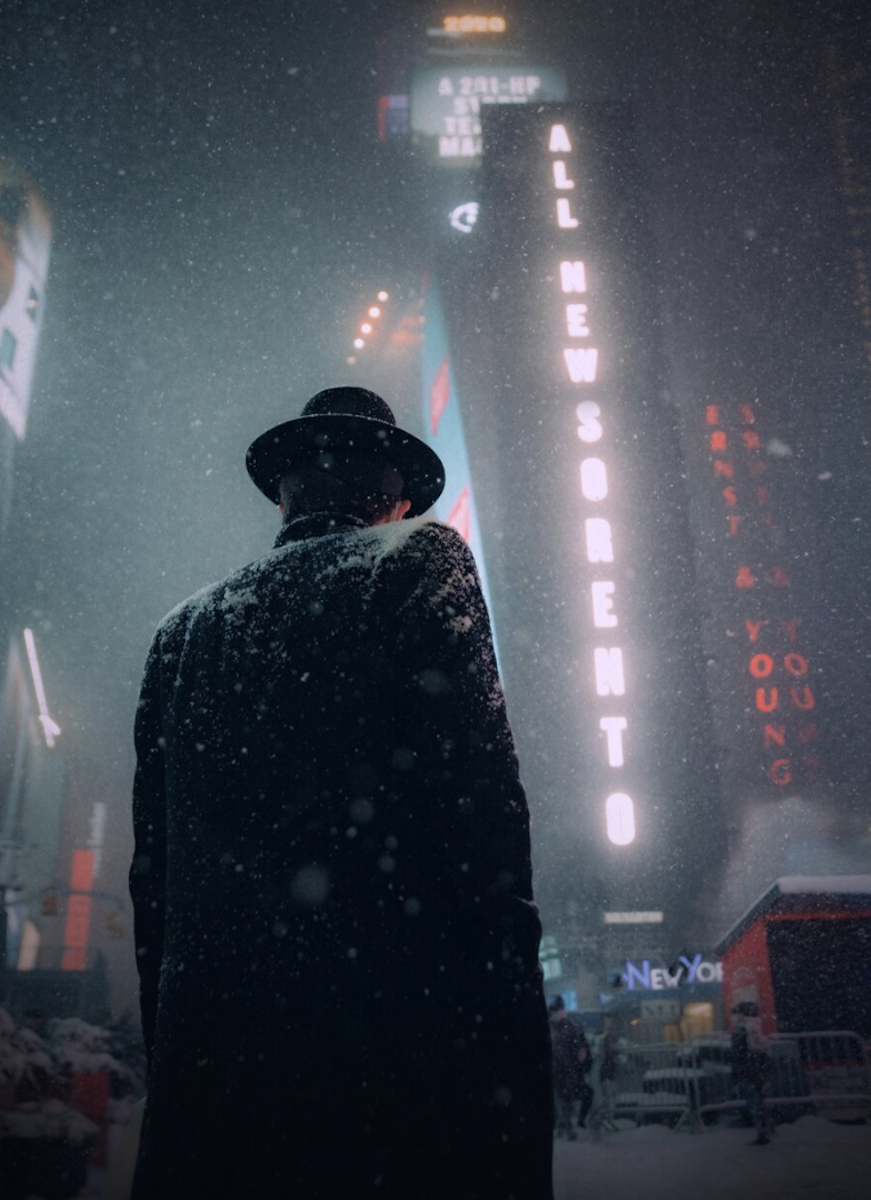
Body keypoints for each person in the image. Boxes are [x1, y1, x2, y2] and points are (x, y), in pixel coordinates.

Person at [129, 387, 553, 1199]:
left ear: (285, 492)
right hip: (389, 1067)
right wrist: (507, 1088)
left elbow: (154, 885)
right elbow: (486, 832)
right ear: (391, 495)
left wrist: (181, 1056)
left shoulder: (180, 633)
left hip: (214, 1082)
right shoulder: (418, 561)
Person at [549, 996, 592, 1141]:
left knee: (561, 1099)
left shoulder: (560, 1029)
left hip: (561, 1072)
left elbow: (578, 1051)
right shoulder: (568, 1028)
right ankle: (567, 1126)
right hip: (565, 1072)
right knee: (564, 1099)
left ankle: (565, 1126)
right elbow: (580, 1051)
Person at [731, 1000, 773, 1145]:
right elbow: (763, 1049)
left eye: (738, 1013)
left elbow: (741, 1052)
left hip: (750, 1069)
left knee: (755, 1101)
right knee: (760, 1099)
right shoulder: (756, 1026)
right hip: (757, 1068)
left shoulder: (744, 1029)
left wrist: (739, 1069)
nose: (736, 1017)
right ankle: (766, 1129)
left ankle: (763, 1132)